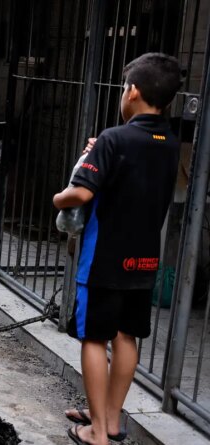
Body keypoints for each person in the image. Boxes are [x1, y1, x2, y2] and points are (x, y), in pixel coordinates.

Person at [52, 53, 181, 445]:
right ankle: (108, 420)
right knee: (127, 337)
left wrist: (58, 198)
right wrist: (103, 152)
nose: (123, 95)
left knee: (93, 337)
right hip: (144, 260)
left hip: (104, 258)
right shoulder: (170, 143)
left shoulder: (114, 138)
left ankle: (96, 434)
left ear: (134, 92)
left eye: (125, 88)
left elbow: (83, 192)